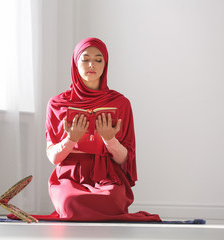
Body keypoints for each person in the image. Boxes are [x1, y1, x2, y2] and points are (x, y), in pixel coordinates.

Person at [9, 37, 161, 222]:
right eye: (85, 58)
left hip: (108, 176)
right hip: (69, 177)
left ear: (105, 64)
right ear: (75, 62)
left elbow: (124, 159)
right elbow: (54, 157)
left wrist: (109, 139)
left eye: (98, 60)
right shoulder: (57, 104)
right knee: (70, 202)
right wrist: (71, 139)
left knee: (111, 201)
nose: (92, 65)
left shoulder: (121, 103)